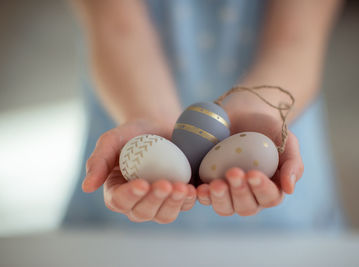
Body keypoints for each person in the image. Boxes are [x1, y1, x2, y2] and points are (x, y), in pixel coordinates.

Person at [64, 0, 344, 231]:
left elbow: (298, 38)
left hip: (282, 211)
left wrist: (261, 109)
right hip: (130, 97)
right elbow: (116, 27)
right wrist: (148, 114)